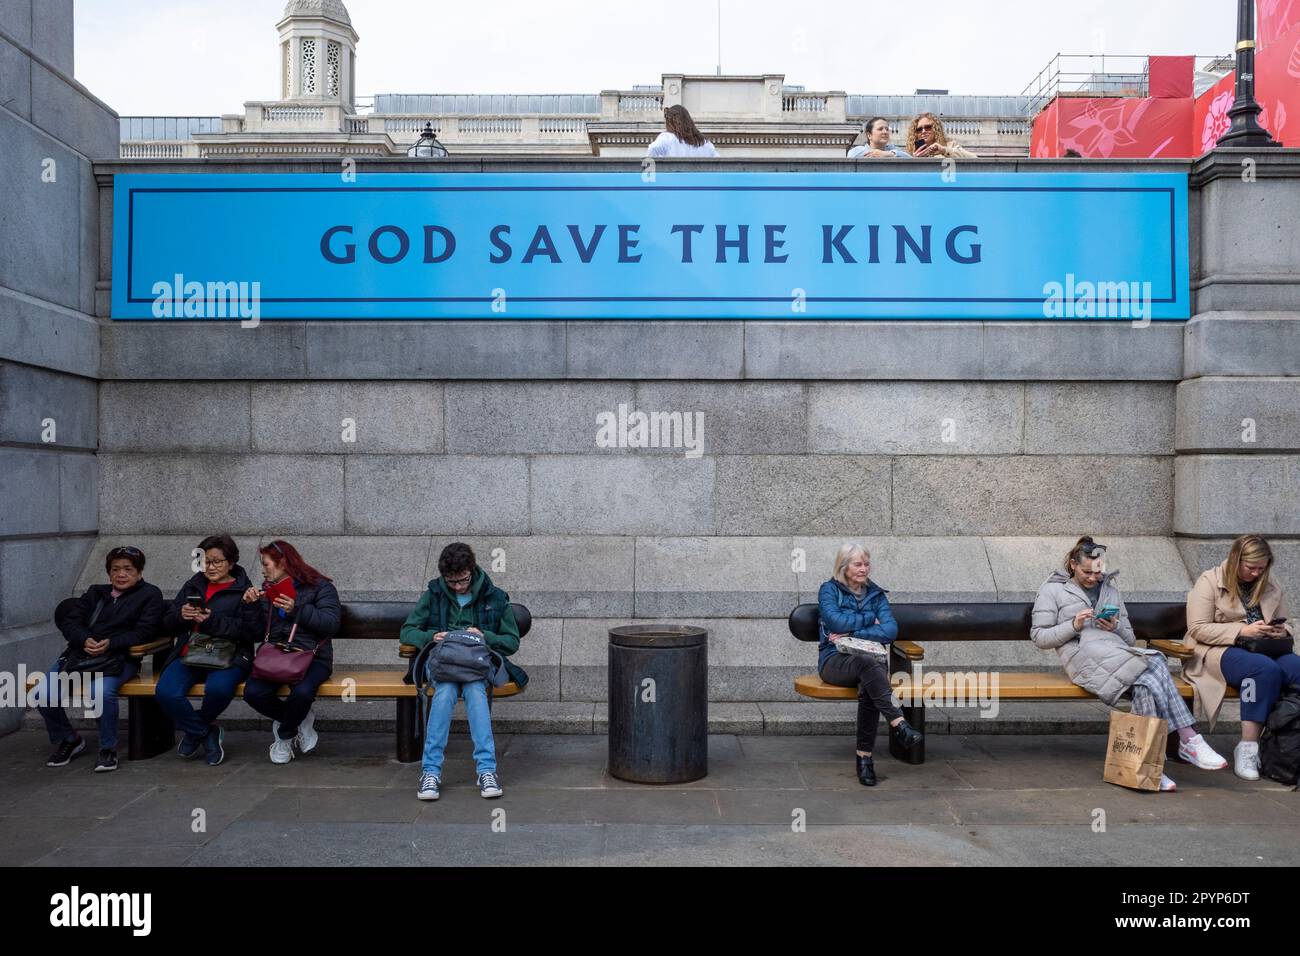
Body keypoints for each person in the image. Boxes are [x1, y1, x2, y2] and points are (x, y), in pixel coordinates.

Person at [1031, 536, 1227, 791]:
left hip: (1115, 652)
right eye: (1086, 572)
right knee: (1155, 660)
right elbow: (1040, 637)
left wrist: (1115, 627)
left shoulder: (1110, 590)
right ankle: (1189, 738)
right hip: (1082, 658)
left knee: (1146, 686)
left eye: (1097, 571)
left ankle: (1149, 769)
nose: (1093, 578)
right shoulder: (1053, 590)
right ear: (1072, 564)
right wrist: (1073, 625)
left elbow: (1130, 638)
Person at [402, 542, 520, 801]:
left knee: (476, 693)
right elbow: (407, 630)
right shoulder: (434, 593)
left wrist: (485, 636)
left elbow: (512, 641)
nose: (457, 586)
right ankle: (430, 772)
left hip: (477, 667)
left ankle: (487, 770)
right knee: (443, 694)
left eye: (462, 580)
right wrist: (432, 636)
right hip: (444, 667)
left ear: (472, 569)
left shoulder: (495, 596)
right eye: (451, 581)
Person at [37, 546, 164, 772]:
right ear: (109, 572)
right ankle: (69, 739)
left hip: (119, 658)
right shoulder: (96, 593)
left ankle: (108, 748)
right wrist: (85, 639)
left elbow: (146, 631)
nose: (121, 574)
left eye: (128, 569)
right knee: (43, 694)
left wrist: (111, 643)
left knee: (101, 692)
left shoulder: (150, 595)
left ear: (139, 572)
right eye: (115, 569)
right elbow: (71, 622)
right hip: (80, 656)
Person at [1185, 534, 1298, 780]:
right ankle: (1248, 747)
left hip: (1266, 646)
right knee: (1262, 671)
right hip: (1219, 650)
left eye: (1262, 568)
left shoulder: (1270, 583)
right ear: (1236, 560)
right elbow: (1197, 628)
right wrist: (1242, 630)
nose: (1257, 573)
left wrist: (1281, 630)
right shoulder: (1210, 580)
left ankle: (1286, 742)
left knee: (1297, 669)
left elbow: (1288, 623)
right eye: (1251, 568)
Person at [817, 543, 923, 786]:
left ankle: (865, 759)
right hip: (834, 661)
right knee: (870, 667)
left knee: (870, 680)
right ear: (844, 567)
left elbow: (889, 630)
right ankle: (899, 723)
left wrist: (852, 630)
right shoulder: (829, 591)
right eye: (858, 564)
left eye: (866, 564)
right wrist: (868, 620)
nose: (864, 569)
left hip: (869, 664)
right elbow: (834, 621)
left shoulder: (876, 594)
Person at [153, 534, 260, 766]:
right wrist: (180, 616)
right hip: (190, 654)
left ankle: (193, 732)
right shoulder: (193, 585)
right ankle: (205, 733)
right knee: (166, 692)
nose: (210, 567)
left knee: (219, 690)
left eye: (217, 561)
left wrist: (211, 621)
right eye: (205, 561)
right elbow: (166, 622)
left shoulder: (245, 590)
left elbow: (253, 632)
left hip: (229, 656)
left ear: (231, 562)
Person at [240, 540, 341, 764]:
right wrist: (250, 607)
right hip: (276, 656)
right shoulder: (267, 592)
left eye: (267, 565)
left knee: (302, 693)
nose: (263, 570)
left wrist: (297, 610)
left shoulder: (320, 587)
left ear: (283, 563)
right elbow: (255, 633)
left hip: (313, 656)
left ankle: (284, 736)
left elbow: (331, 623)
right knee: (253, 693)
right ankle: (300, 719)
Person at [647, 104, 719, 157]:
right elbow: (718, 162)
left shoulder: (667, 138)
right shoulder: (705, 142)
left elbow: (652, 149)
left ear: (669, 122)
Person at [906, 112, 976, 158]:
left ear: (936, 128)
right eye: (919, 129)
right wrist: (915, 160)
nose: (923, 131)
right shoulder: (912, 151)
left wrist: (944, 150)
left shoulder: (950, 145)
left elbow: (973, 158)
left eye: (928, 127)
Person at [847, 117, 912, 159]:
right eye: (880, 129)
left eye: (887, 129)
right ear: (869, 135)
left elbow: (911, 160)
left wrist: (886, 154)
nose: (885, 132)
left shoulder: (894, 150)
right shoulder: (857, 152)